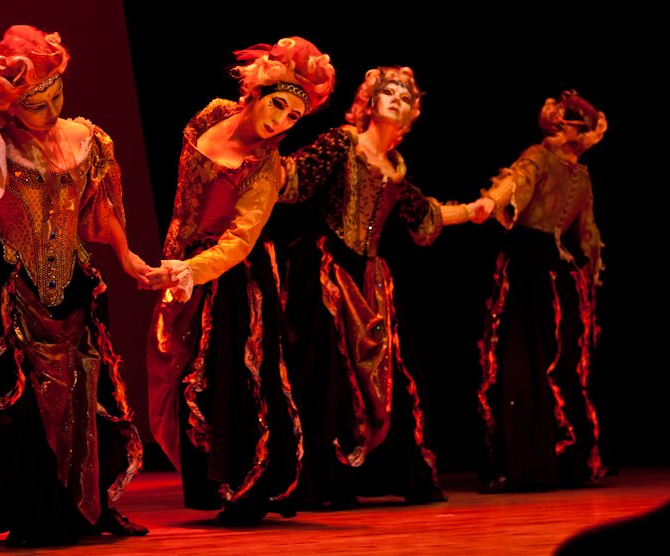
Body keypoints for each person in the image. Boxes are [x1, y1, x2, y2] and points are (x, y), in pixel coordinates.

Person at [0, 16, 150, 547]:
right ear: (8, 104)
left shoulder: (87, 138)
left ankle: (91, 507)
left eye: (56, 97)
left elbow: (99, 211)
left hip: (71, 282)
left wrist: (128, 257)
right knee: (22, 401)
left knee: (85, 392)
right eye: (35, 104)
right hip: (8, 283)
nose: (50, 112)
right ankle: (36, 508)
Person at [275, 66, 487, 510]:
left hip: (370, 279)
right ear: (369, 102)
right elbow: (293, 179)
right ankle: (322, 480)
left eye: (405, 97)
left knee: (389, 377)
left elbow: (426, 215)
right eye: (388, 92)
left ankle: (381, 472)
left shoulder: (395, 170)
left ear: (410, 116)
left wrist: (475, 209)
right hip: (325, 270)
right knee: (325, 374)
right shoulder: (342, 142)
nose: (397, 100)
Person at [144, 37, 336, 525]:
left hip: (234, 280)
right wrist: (175, 260)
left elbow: (239, 242)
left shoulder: (264, 166)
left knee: (232, 379)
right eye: (278, 105)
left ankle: (247, 489)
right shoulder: (212, 114)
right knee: (177, 370)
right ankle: (212, 487)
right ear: (257, 91)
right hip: (185, 262)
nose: (281, 122)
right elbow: (185, 199)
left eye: (294, 117)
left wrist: (190, 271)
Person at [472, 90, 608, 493]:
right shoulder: (542, 158)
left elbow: (587, 232)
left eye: (579, 126)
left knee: (535, 362)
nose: (575, 131)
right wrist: (490, 201)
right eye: (571, 123)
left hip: (544, 271)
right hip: (540, 267)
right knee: (532, 362)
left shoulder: (577, 173)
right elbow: (516, 182)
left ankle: (538, 462)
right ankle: (542, 460)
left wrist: (590, 279)